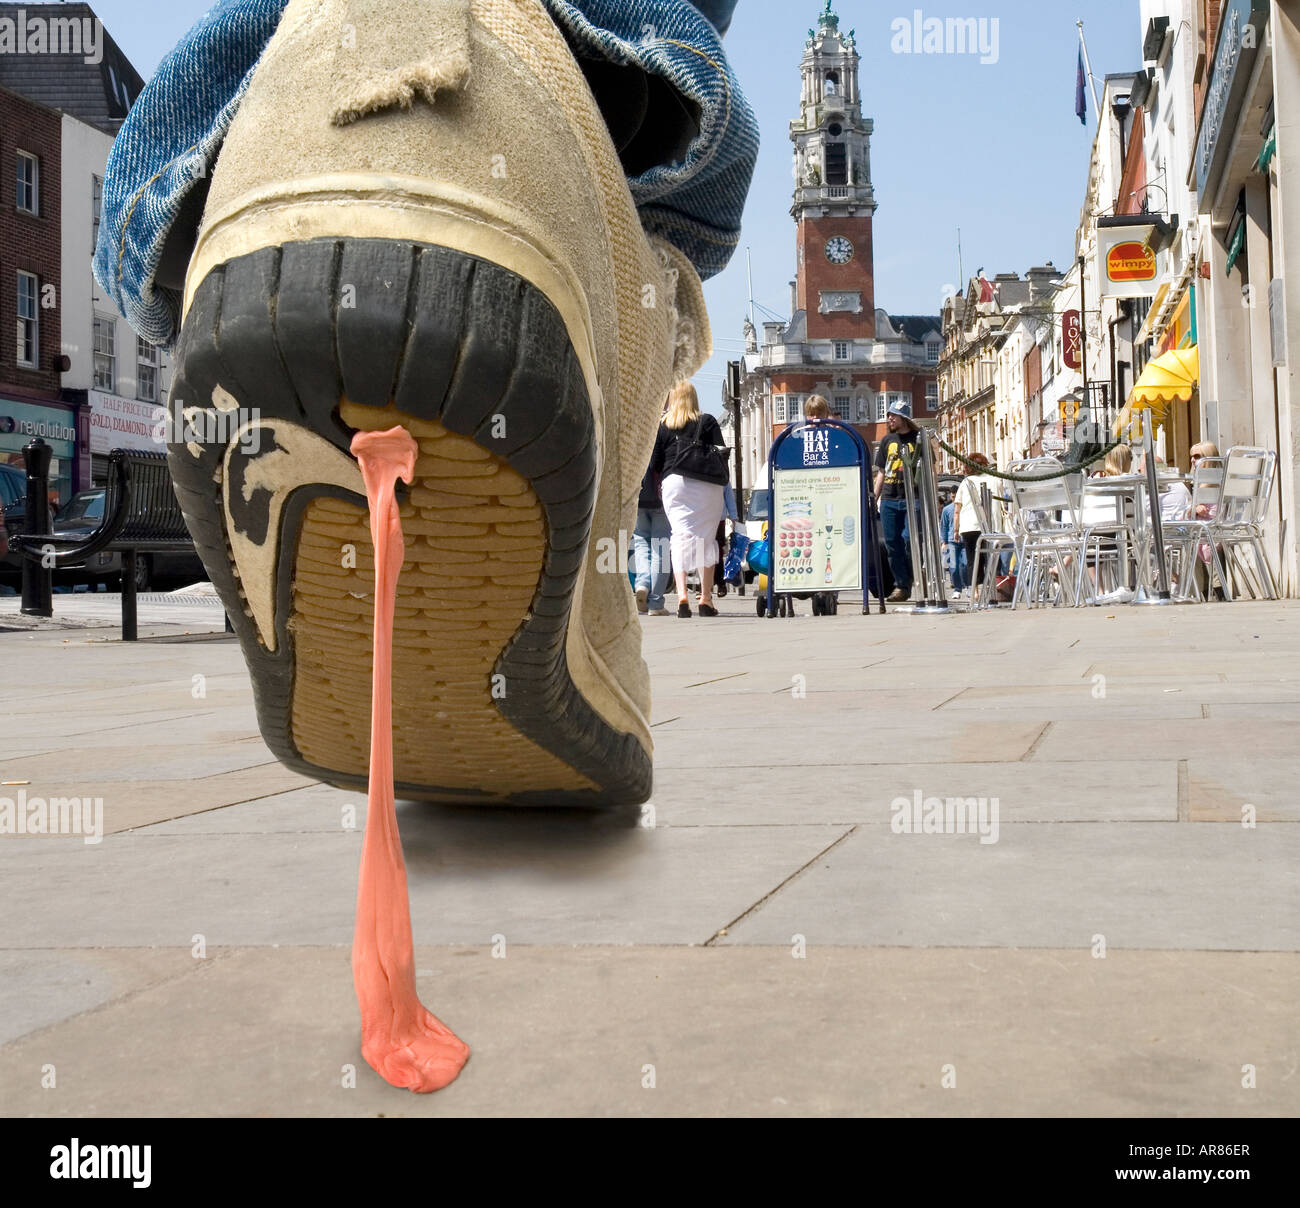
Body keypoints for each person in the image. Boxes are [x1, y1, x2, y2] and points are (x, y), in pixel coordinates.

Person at [91, 0, 757, 811]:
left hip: (288, 106)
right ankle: (585, 222)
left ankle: (286, 154)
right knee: (677, 180)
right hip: (549, 107)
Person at [651, 381, 727, 617]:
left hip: (675, 484)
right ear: (695, 398)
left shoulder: (664, 425)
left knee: (679, 536)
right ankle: (705, 598)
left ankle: (682, 595)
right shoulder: (708, 421)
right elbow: (721, 453)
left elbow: (654, 463)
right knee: (707, 538)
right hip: (707, 485)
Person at [873, 399, 920, 602]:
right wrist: (874, 496)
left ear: (904, 418)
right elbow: (882, 472)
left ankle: (915, 576)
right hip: (890, 498)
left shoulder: (918, 439)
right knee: (892, 543)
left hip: (914, 497)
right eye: (889, 415)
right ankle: (901, 586)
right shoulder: (887, 441)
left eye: (893, 415)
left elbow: (930, 470)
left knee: (911, 540)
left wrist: (933, 497)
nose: (889, 418)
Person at [953, 453, 1001, 597]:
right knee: (991, 558)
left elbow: (957, 510)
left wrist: (955, 530)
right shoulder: (995, 480)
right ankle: (993, 590)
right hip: (991, 525)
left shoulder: (965, 483)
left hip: (969, 525)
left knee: (972, 560)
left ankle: (975, 591)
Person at [633, 459, 672, 617]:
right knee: (660, 548)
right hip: (660, 497)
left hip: (638, 494)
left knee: (640, 542)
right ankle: (655, 603)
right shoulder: (667, 434)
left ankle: (642, 583)